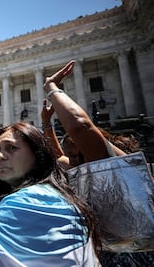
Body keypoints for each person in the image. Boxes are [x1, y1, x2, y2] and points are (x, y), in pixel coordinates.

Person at [43, 60, 154, 266]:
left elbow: (81, 126)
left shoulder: (112, 164)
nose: (72, 161)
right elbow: (58, 157)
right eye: (71, 155)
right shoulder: (83, 169)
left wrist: (51, 88)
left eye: (77, 153)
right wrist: (46, 125)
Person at [0, 122, 101, 266]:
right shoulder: (60, 196)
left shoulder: (29, 201)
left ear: (37, 154)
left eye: (11, 148)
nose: (0, 156)